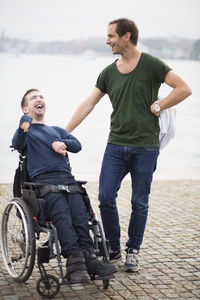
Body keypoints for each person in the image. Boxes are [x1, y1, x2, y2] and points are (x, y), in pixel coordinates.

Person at [65, 18, 192, 272]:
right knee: (104, 197)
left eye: (111, 36)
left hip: (145, 147)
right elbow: (88, 104)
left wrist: (160, 105)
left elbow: (184, 88)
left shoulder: (152, 64)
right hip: (115, 145)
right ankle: (113, 247)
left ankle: (133, 251)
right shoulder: (109, 72)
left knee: (139, 202)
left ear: (126, 36)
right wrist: (62, 133)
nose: (107, 41)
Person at [12, 88, 118, 284]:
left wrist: (61, 143)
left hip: (69, 181)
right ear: (25, 108)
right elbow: (17, 142)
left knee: (80, 216)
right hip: (43, 182)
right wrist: (22, 124)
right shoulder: (26, 131)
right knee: (62, 215)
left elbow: (77, 145)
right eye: (33, 98)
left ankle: (89, 259)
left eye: (41, 96)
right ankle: (75, 263)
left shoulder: (57, 130)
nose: (39, 99)